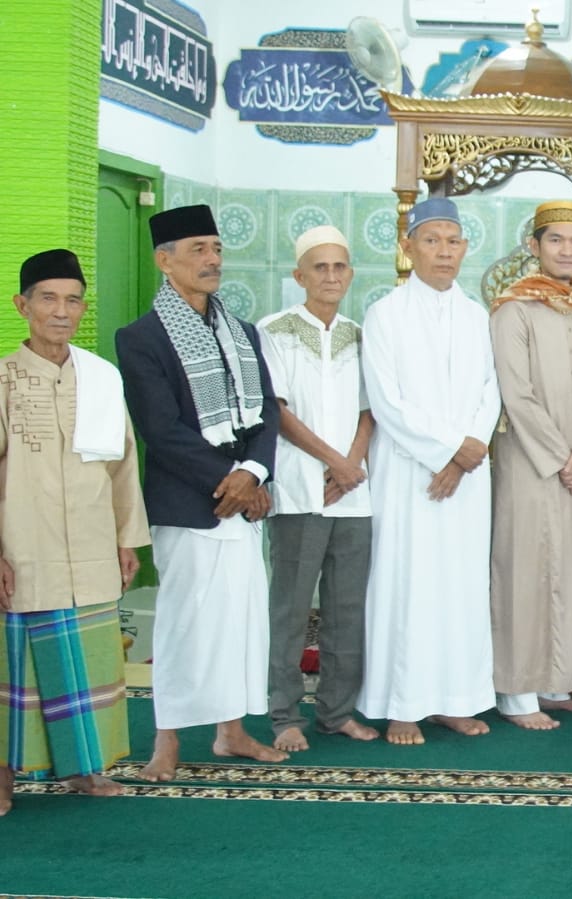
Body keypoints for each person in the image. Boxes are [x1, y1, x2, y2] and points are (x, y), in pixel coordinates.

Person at [117, 204, 286, 779]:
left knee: (239, 619)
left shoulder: (242, 332)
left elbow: (267, 413)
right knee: (185, 621)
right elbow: (160, 430)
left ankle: (231, 732)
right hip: (191, 505)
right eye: (198, 250)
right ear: (165, 262)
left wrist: (256, 475)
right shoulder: (140, 338)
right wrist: (233, 479)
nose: (212, 259)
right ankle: (167, 740)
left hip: (245, 502)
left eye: (215, 248)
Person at [0, 250, 149, 814]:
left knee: (88, 662)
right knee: (16, 669)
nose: (61, 311)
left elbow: (124, 463)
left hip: (89, 545)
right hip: (24, 546)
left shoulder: (100, 377)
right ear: (23, 305)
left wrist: (124, 538)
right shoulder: (5, 378)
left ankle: (84, 770)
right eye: (48, 298)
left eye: (72, 300)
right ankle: (3, 776)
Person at [359, 197, 501, 745]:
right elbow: (387, 402)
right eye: (431, 241)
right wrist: (446, 453)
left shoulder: (476, 315)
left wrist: (470, 448)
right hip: (409, 474)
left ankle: (456, 700)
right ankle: (403, 704)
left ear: (465, 248)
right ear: (408, 247)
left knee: (461, 587)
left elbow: (491, 389)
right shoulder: (385, 314)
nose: (444, 252)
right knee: (407, 583)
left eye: (453, 241)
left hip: (468, 474)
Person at [256, 225, 378, 752]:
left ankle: (337, 712)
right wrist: (335, 463)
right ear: (299, 275)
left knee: (347, 611)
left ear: (350, 274)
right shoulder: (274, 330)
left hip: (353, 498)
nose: (330, 276)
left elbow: (371, 412)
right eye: (319, 267)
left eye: (339, 267)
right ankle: (284, 715)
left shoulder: (360, 333)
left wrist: (351, 466)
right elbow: (278, 411)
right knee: (289, 609)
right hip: (300, 492)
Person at [489, 199, 572, 728]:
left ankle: (555, 682)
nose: (567, 250)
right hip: (531, 462)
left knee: (570, 568)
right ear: (534, 247)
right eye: (555, 240)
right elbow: (517, 394)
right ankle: (516, 689)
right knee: (525, 569)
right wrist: (562, 457)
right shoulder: (514, 308)